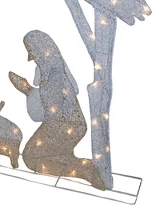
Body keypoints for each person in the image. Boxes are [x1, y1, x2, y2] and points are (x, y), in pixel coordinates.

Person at [9, 30, 106, 190]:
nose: (31, 57)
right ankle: (81, 166)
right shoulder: (49, 70)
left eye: (32, 51)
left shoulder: (54, 73)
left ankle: (85, 171)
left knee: (32, 157)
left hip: (67, 125)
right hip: (65, 124)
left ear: (40, 49)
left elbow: (48, 112)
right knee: (51, 154)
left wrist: (27, 91)